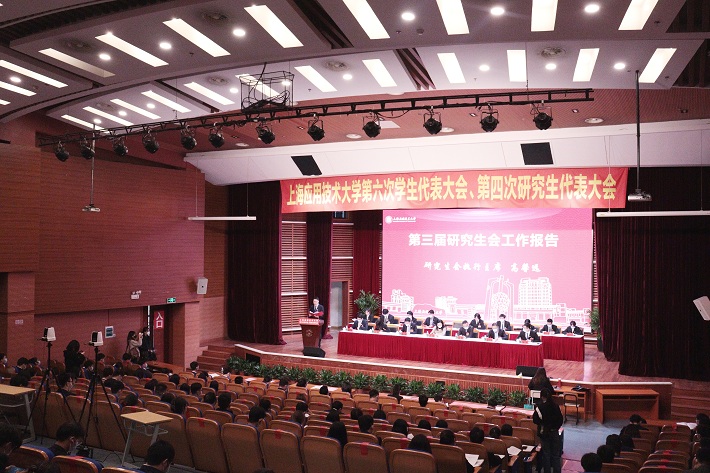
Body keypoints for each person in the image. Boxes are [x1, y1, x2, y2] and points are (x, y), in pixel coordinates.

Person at [533, 388, 564, 473]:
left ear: (542, 397)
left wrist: (543, 424)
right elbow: (560, 420)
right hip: (554, 432)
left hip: (544, 433)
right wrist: (555, 428)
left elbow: (535, 420)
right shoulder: (556, 406)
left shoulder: (539, 407)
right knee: (556, 455)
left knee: (546, 455)